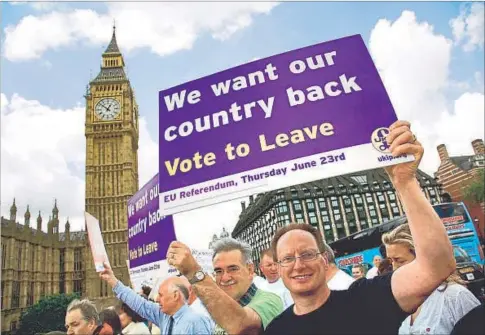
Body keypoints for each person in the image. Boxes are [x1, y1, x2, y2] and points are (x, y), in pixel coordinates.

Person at [264, 120, 457, 334]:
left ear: (324, 259)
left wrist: (405, 181)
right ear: (279, 268)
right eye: (288, 258)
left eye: (308, 254)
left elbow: (436, 267)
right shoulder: (276, 329)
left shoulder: (365, 299)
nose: (298, 265)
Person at [167, 237, 283, 334]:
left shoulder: (270, 301)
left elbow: (240, 325)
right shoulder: (216, 309)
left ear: (250, 269)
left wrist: (192, 271)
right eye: (218, 271)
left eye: (233, 269)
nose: (225, 277)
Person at [382, 223, 480, 334]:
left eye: (400, 261)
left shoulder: (455, 296)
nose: (394, 268)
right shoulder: (399, 301)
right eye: (391, 262)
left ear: (423, 258)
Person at [99, 263, 211, 335]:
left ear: (175, 295)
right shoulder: (164, 316)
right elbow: (140, 304)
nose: (157, 299)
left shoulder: (196, 321)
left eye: (161, 295)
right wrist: (112, 281)